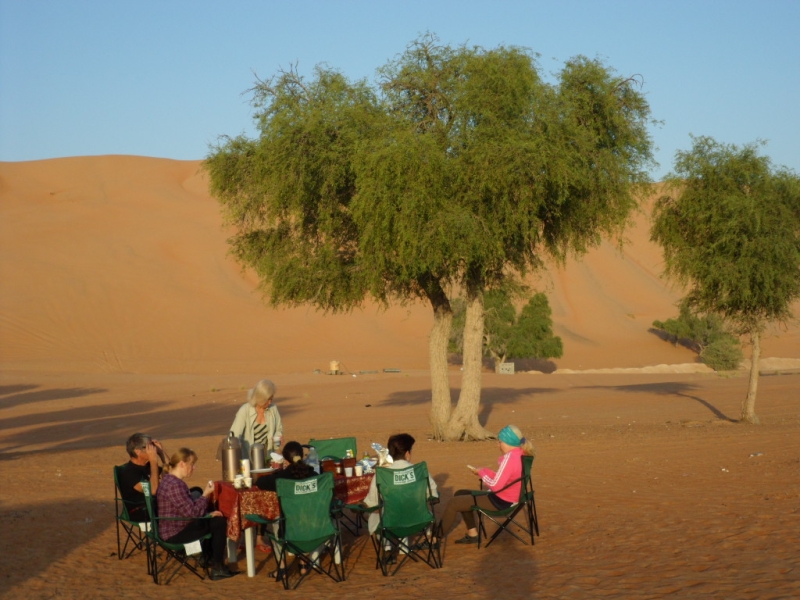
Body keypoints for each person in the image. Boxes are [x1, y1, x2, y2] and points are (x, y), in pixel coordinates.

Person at [441, 424, 535, 544]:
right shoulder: (520, 454)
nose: (498, 445)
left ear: (507, 442)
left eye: (500, 442)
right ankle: (473, 534)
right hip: (512, 498)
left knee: (454, 503)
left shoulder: (509, 459)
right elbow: (505, 478)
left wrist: (481, 473)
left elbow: (496, 486)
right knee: (461, 493)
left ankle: (434, 539)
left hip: (501, 502)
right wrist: (485, 471)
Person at [156, 447, 236, 581]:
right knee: (219, 522)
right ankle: (217, 567)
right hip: (175, 533)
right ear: (182, 464)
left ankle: (208, 558)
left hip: (174, 526)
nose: (194, 467)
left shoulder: (170, 480)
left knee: (212, 515)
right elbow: (192, 514)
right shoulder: (174, 485)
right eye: (192, 464)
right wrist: (205, 494)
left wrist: (208, 514)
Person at [254, 440, 317, 579]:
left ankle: (282, 568)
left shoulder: (281, 478)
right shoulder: (314, 476)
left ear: (286, 460)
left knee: (277, 522)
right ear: (302, 456)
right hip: (315, 527)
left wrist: (277, 472)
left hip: (288, 531)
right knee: (302, 518)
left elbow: (260, 482)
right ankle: (303, 563)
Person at [363, 433, 438, 536]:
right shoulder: (420, 471)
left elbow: (373, 503)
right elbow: (433, 494)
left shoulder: (382, 474)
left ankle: (386, 546)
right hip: (419, 521)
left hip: (390, 524)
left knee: (376, 512)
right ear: (407, 454)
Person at [118, 432, 168, 522]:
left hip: (158, 506)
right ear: (137, 451)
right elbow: (153, 490)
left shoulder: (148, 466)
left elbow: (174, 477)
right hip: (142, 511)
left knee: (196, 494)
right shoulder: (129, 472)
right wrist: (153, 461)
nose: (152, 449)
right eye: (149, 447)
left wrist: (162, 454)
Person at [229, 379, 283, 457]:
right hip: (247, 459)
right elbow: (234, 436)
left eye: (271, 399)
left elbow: (279, 429)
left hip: (267, 457)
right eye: (268, 399)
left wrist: (278, 439)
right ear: (261, 398)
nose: (270, 402)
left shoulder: (273, 409)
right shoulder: (245, 410)